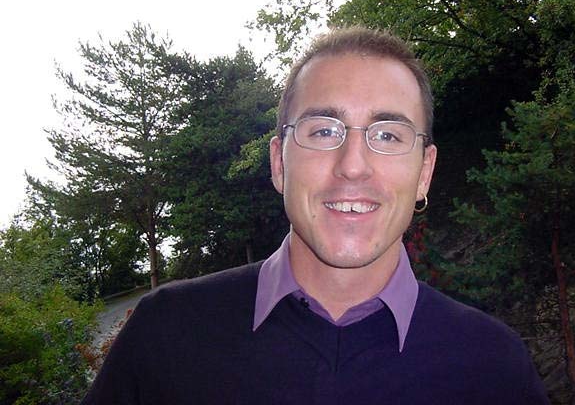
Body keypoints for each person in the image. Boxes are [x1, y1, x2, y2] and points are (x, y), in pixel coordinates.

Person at [82, 27, 549, 404]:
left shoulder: (495, 369)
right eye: (324, 131)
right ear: (279, 163)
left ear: (424, 173)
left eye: (388, 135)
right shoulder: (165, 334)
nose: (353, 166)